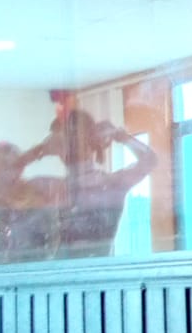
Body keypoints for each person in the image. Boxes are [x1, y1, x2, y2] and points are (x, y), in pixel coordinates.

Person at [42, 108, 157, 257]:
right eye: (63, 143)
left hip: (95, 269)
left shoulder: (111, 184)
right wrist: (39, 150)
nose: (69, 148)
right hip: (61, 270)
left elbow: (150, 161)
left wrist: (120, 136)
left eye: (74, 141)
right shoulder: (53, 186)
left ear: (91, 141)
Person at [0, 140, 63, 263]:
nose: (6, 174)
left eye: (11, 167)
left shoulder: (40, 204)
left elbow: (54, 250)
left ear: (20, 169)